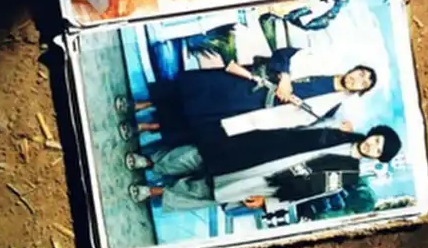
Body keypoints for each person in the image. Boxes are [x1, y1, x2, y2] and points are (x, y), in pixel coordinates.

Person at [114, 46, 378, 144]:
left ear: (360, 91)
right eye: (360, 73)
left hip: (253, 111)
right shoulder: (319, 60)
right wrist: (285, 78)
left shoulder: (329, 108)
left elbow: (301, 125)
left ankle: (145, 127)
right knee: (194, 91)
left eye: (363, 82)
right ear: (354, 69)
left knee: (200, 120)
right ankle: (140, 104)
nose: (357, 78)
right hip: (247, 83)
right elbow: (283, 54)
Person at [126, 124, 402, 213]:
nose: (373, 146)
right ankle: (150, 162)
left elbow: (311, 193)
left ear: (378, 159)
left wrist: (268, 202)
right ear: (373, 133)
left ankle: (152, 191)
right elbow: (296, 129)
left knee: (207, 191)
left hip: (268, 180)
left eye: (379, 150)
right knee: (200, 156)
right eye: (377, 140)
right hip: (261, 149)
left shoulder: (348, 175)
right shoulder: (338, 132)